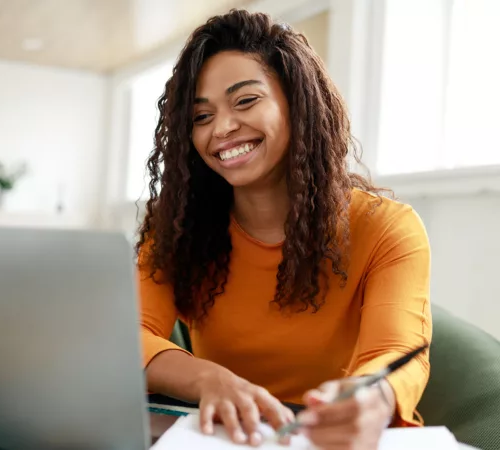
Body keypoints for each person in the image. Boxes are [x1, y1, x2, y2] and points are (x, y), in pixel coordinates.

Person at [136, 9, 431, 449]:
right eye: (200, 117)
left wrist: (372, 398)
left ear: (297, 101)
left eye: (246, 100)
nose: (223, 128)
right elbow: (127, 336)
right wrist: (206, 378)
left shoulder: (388, 228)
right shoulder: (176, 230)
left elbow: (396, 353)